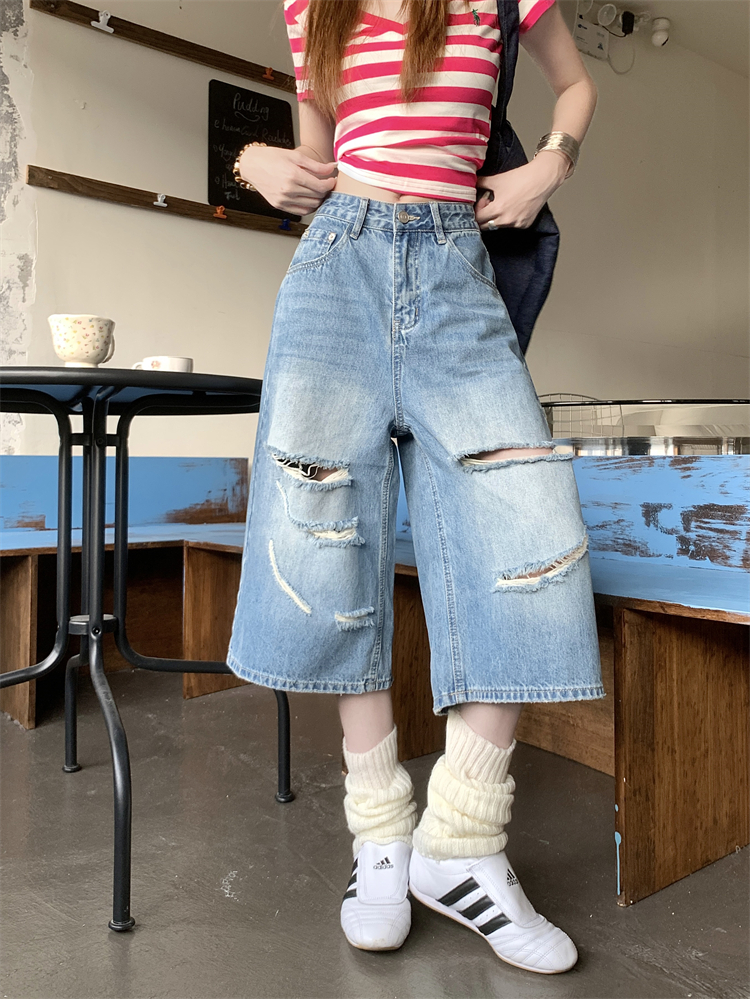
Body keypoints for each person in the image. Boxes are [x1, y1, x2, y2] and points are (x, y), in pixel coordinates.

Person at [228, 0, 603, 975]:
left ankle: (463, 838)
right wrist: (255, 164)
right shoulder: (313, 7)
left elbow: (576, 83)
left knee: (535, 540)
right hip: (336, 270)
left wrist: (549, 164)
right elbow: (313, 164)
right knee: (327, 539)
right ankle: (383, 837)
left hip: (455, 272)